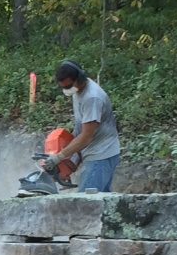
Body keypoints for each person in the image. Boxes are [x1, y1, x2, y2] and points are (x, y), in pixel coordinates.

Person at [44, 60, 121, 193]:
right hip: (95, 152)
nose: (67, 90)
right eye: (64, 87)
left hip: (101, 155)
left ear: (79, 78)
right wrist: (72, 161)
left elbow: (86, 137)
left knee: (86, 205)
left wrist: (59, 157)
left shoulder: (92, 98)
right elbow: (80, 128)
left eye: (69, 86)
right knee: (100, 204)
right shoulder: (78, 90)